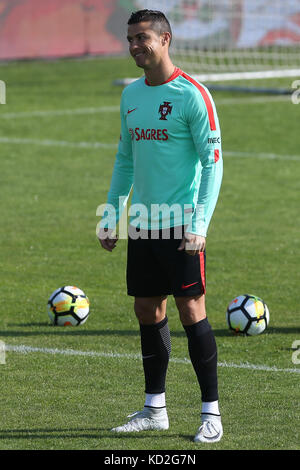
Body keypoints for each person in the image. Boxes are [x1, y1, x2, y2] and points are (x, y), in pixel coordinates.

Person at [98, 9, 223, 443]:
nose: (135, 45)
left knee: (192, 312)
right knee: (147, 311)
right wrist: (113, 214)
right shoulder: (130, 95)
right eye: (130, 38)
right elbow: (125, 159)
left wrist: (200, 224)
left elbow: (213, 165)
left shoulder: (192, 96)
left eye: (143, 37)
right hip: (144, 226)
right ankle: (155, 409)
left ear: (166, 39)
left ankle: (212, 414)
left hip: (183, 227)